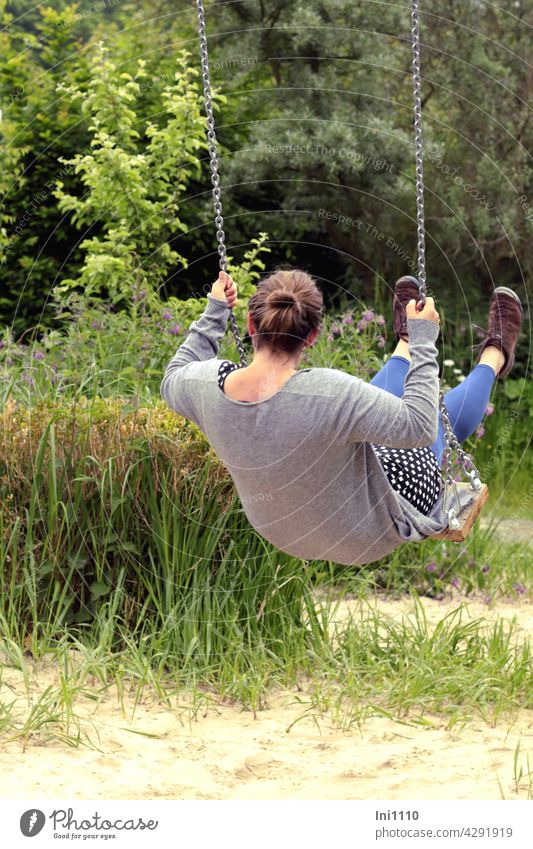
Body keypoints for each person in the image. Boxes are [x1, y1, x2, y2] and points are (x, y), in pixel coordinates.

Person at [160, 270, 523, 566]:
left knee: (368, 414)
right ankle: (495, 353)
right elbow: (419, 426)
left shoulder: (205, 385)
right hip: (367, 531)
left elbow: (173, 374)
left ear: (252, 327)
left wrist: (214, 313)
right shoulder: (328, 392)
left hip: (281, 529)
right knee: (436, 425)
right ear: (313, 336)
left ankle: (404, 343)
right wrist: (427, 337)